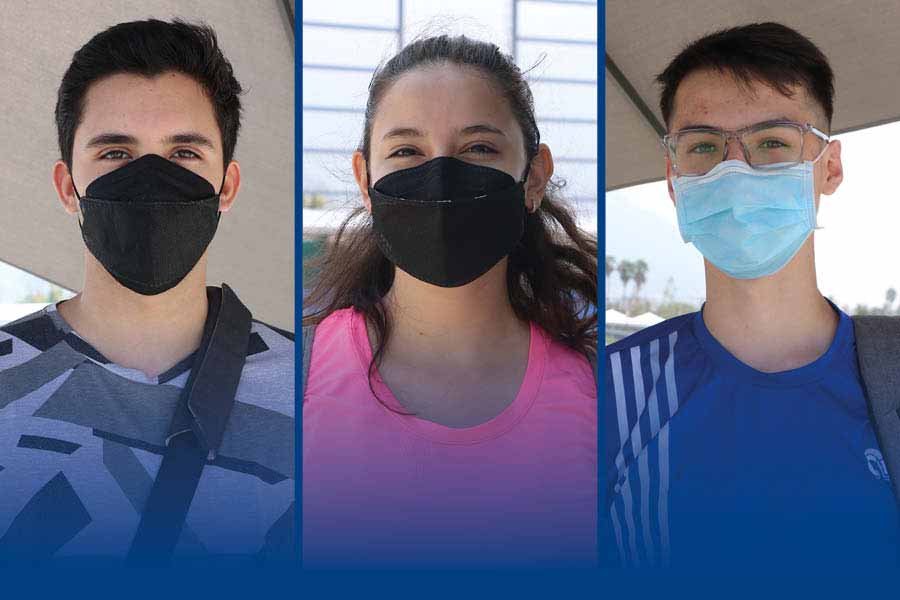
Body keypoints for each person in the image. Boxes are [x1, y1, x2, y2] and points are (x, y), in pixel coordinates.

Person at [604, 22, 899, 569]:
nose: (735, 169)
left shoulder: (890, 375)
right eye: (703, 146)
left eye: (772, 142)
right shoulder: (605, 399)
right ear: (673, 179)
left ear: (829, 167)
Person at [0, 20, 294, 563]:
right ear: (68, 187)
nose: (152, 177)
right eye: (115, 153)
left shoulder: (320, 388)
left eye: (184, 154)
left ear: (226, 186)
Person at [302, 34, 598, 567]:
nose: (439, 173)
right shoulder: (296, 372)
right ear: (365, 180)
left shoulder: (600, 389)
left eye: (479, 148)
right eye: (406, 151)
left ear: (534, 177)